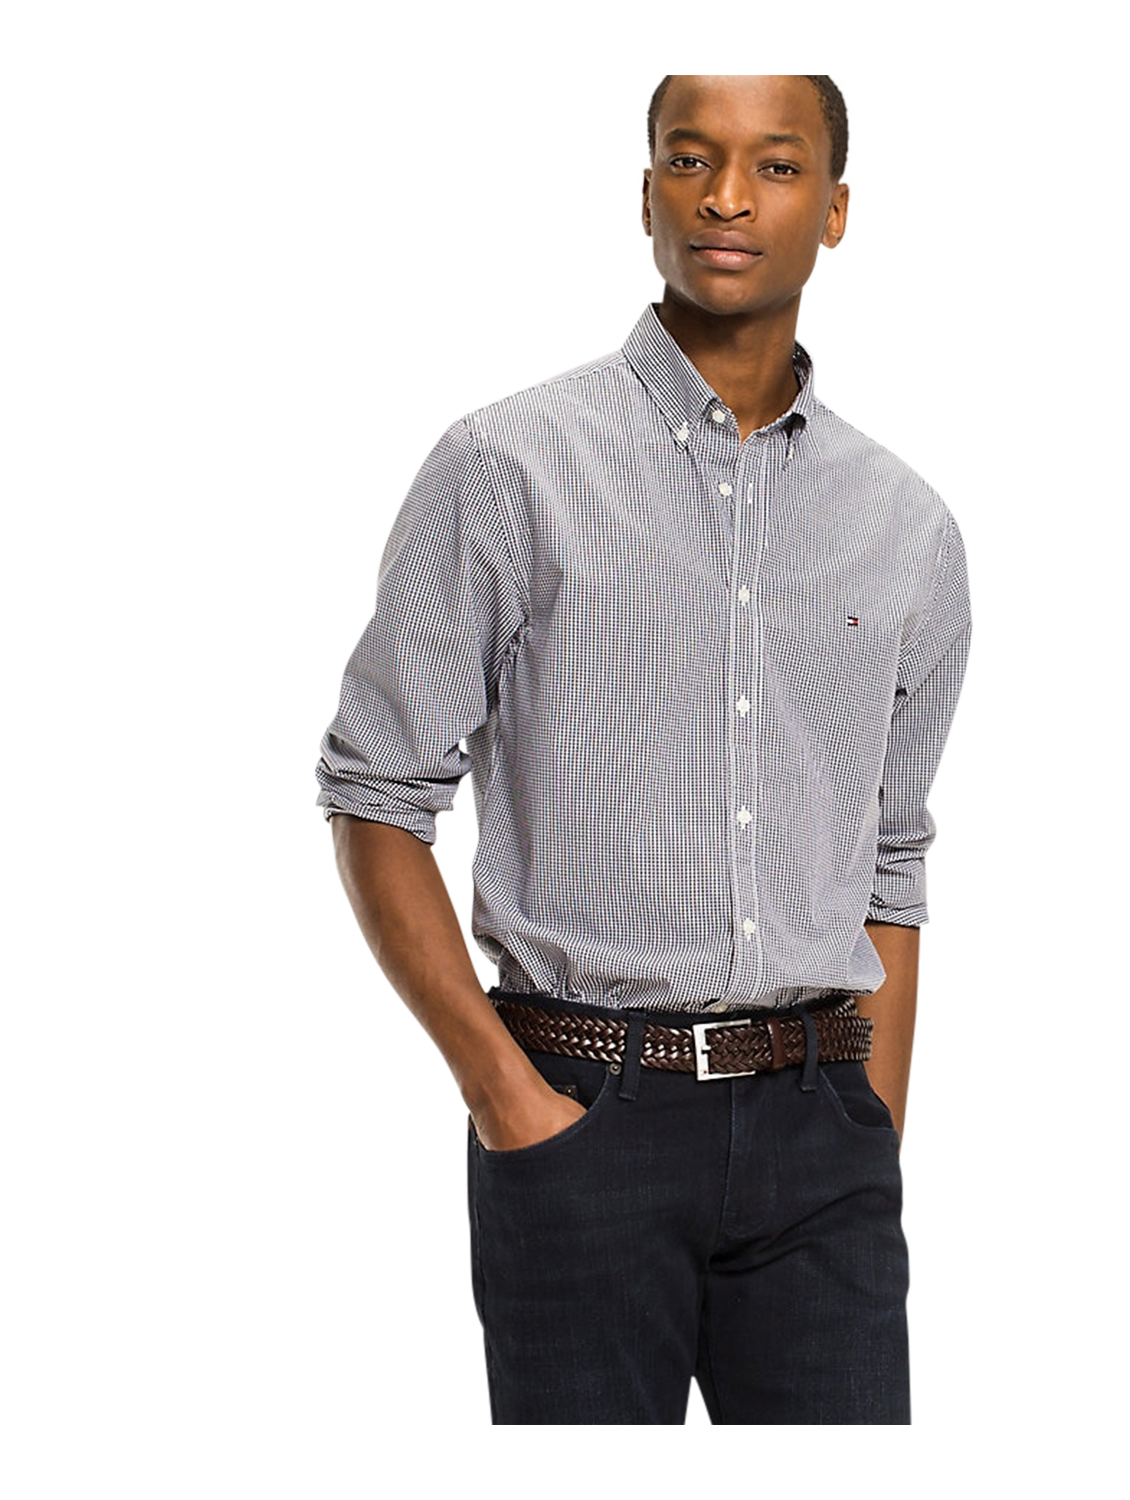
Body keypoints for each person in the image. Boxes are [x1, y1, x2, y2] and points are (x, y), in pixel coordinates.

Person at [314, 74, 972, 1424]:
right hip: (579, 1111)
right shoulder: (506, 468)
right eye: (689, 158)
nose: (727, 197)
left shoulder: (907, 527)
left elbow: (895, 862)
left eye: (776, 165)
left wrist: (874, 1134)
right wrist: (506, 1097)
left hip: (822, 1135)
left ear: (836, 209)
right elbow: (379, 793)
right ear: (645, 191)